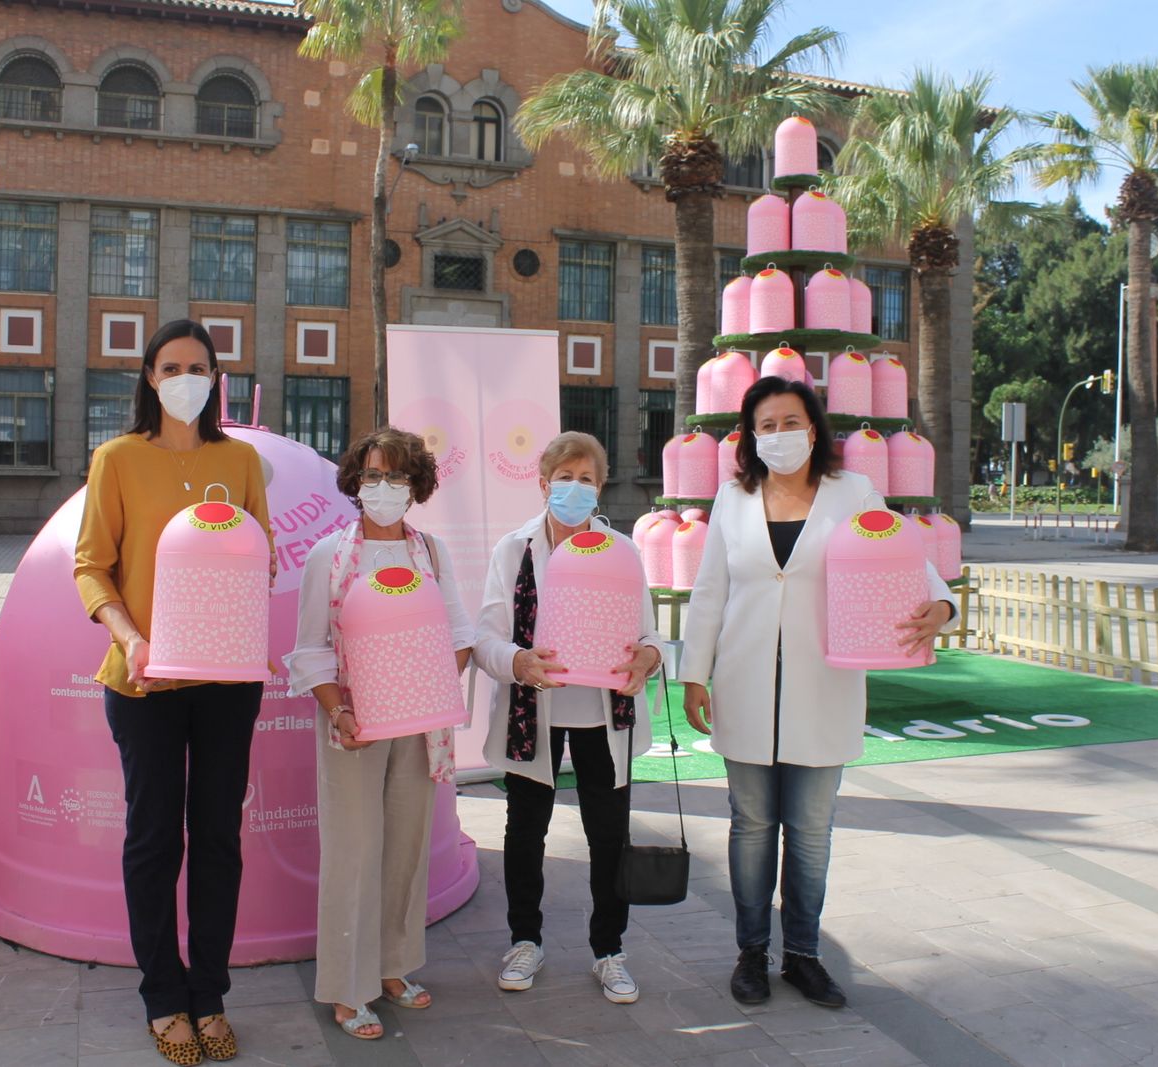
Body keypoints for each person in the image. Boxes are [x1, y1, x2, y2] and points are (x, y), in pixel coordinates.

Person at [679, 377, 957, 1010]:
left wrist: (940, 602)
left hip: (825, 682)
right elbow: (710, 591)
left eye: (790, 421)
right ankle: (752, 952)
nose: (779, 435)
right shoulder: (732, 497)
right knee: (751, 826)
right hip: (744, 682)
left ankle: (802, 954)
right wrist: (694, 673)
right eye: (766, 425)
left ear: (814, 427)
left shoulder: (852, 492)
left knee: (809, 830)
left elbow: (899, 553)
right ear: (751, 436)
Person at [74, 319, 274, 1066]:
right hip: (144, 681)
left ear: (216, 377)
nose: (187, 377)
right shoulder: (118, 459)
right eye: (172, 366)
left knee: (219, 838)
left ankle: (210, 991)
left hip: (227, 682)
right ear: (149, 378)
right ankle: (163, 994)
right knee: (155, 839)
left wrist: (253, 573)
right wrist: (130, 636)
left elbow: (260, 556)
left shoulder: (241, 459)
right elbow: (92, 566)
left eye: (200, 365)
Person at [284, 427, 474, 1041]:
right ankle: (347, 987)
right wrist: (341, 711)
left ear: (416, 486)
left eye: (396, 477)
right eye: (373, 476)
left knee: (406, 847)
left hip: (418, 727)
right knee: (353, 852)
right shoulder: (327, 557)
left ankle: (394, 969)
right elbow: (310, 648)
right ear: (355, 483)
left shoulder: (433, 554)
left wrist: (424, 683)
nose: (383, 488)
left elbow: (459, 636)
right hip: (354, 726)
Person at [473, 431, 665, 1004]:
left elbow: (649, 634)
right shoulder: (514, 550)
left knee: (609, 834)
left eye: (587, 479)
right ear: (542, 484)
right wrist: (518, 661)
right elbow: (485, 637)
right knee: (525, 829)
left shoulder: (623, 550)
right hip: (534, 711)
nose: (575, 489)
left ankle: (610, 950)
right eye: (565, 477)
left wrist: (649, 657)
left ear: (600, 487)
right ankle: (524, 939)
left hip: (603, 714)